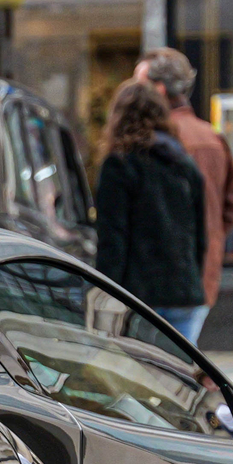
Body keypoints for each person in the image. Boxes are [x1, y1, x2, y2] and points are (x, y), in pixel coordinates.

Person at [91, 80, 208, 337]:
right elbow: (200, 237)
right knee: (180, 375)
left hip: (139, 297)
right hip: (185, 294)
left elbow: (113, 239)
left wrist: (103, 295)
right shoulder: (183, 163)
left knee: (139, 375)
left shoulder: (119, 165)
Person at [136, 47, 233, 341]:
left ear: (158, 89)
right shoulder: (213, 138)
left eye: (138, 85)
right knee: (178, 367)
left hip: (155, 280)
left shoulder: (151, 141)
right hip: (201, 279)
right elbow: (228, 212)